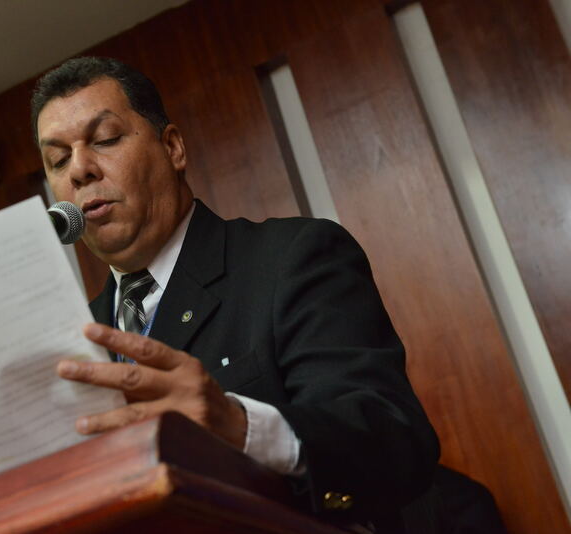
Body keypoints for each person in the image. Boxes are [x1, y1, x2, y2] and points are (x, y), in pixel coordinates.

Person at [31, 56, 439, 527]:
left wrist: (238, 424)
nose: (79, 170)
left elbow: (395, 442)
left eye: (105, 140)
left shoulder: (292, 258)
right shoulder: (74, 340)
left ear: (173, 147)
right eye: (58, 160)